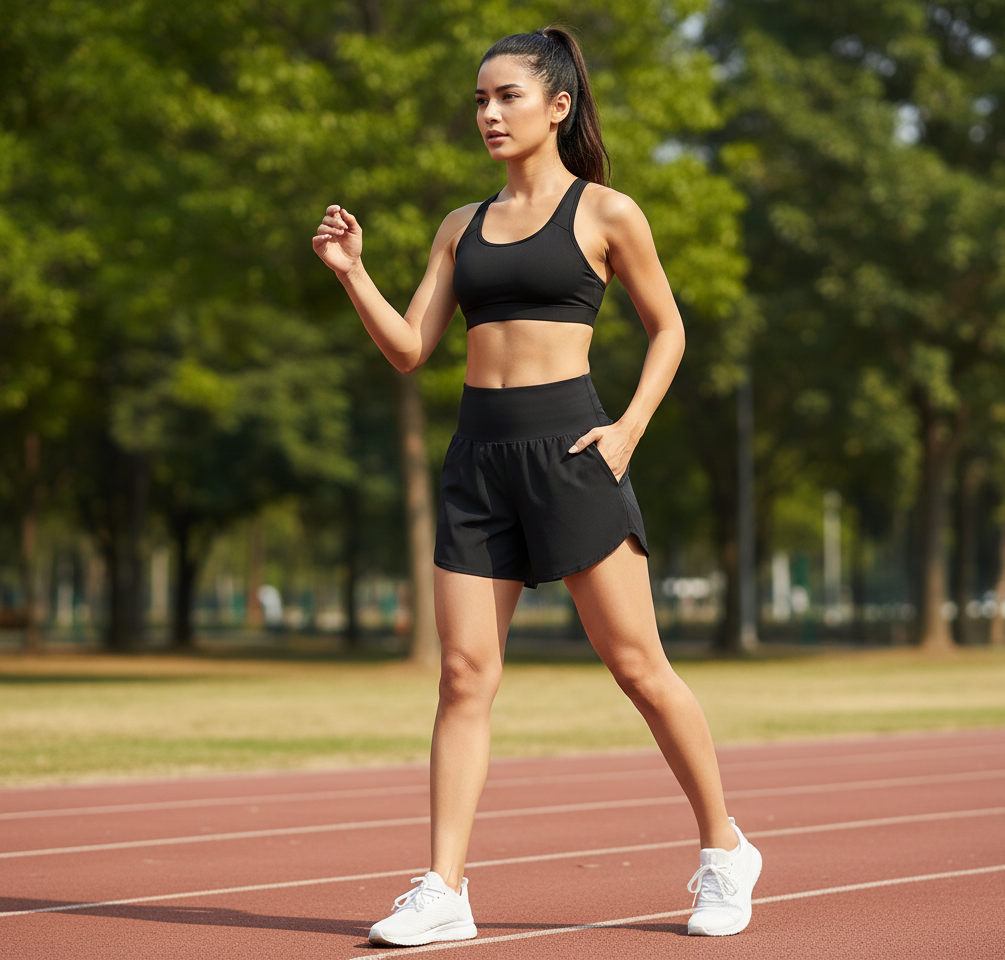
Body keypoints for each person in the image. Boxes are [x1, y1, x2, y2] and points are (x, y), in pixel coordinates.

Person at [313, 26, 761, 948]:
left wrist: (627, 431)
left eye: (506, 96)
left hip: (574, 453)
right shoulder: (457, 226)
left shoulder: (607, 213)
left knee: (637, 666)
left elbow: (668, 330)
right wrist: (354, 273)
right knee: (464, 676)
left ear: (557, 106)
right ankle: (444, 888)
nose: (487, 113)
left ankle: (725, 850)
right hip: (477, 460)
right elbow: (408, 350)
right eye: (479, 99)